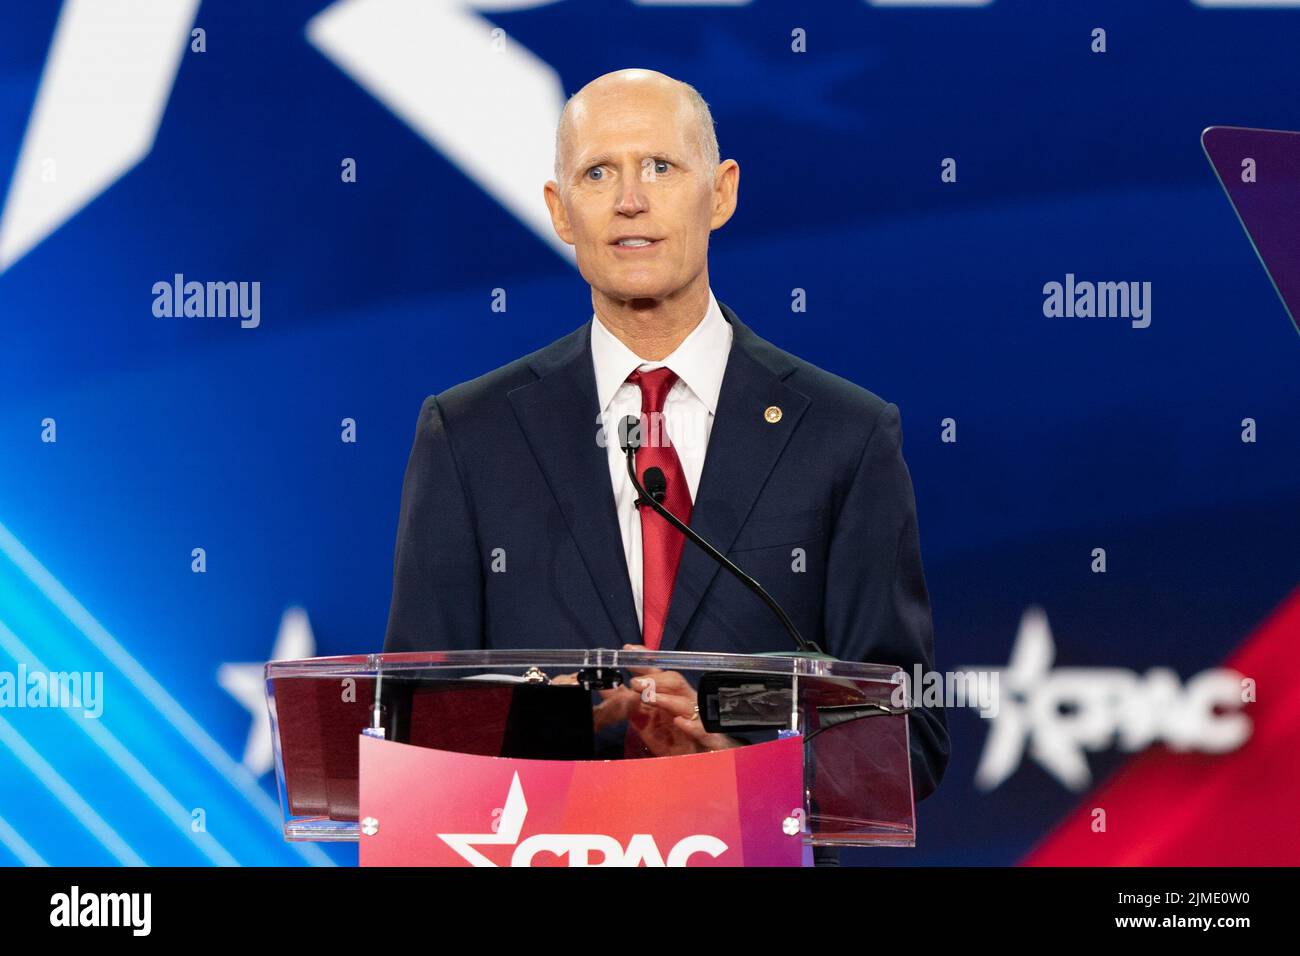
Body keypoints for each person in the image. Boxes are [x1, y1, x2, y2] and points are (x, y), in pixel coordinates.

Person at [384, 68, 948, 802]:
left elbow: (907, 737)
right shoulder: (468, 436)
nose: (630, 200)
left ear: (721, 192)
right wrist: (553, 723)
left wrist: (725, 759)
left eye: (660, 166)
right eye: (598, 173)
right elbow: (409, 724)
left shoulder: (844, 437)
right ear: (560, 210)